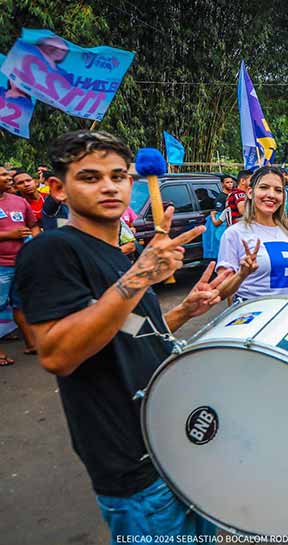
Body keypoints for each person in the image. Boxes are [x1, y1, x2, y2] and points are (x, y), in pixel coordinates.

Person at [14, 131, 223, 542]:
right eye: (90, 177)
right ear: (58, 187)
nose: (109, 185)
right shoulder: (52, 251)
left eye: (118, 175)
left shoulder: (116, 254)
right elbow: (57, 354)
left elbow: (130, 331)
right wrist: (142, 275)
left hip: (174, 440)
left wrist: (183, 310)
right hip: (131, 460)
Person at [215, 166, 288, 303]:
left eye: (278, 190)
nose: (271, 195)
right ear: (250, 192)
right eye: (264, 187)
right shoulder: (234, 233)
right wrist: (241, 275)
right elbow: (221, 292)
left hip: (284, 315)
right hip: (250, 317)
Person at [0, 165, 40, 365]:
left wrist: (36, 245)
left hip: (21, 263)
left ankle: (32, 344)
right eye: (3, 175)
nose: (9, 177)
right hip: (1, 266)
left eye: (7, 174)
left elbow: (33, 225)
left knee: (21, 304)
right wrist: (8, 235)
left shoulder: (19, 201)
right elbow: (12, 232)